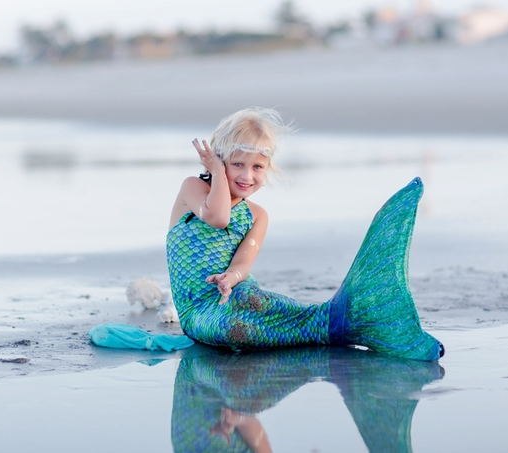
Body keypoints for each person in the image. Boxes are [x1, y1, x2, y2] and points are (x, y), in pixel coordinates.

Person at [166, 107, 444, 361]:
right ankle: (337, 327)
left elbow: (242, 264)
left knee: (254, 300)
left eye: (257, 167)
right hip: (199, 309)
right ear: (217, 161)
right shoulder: (193, 189)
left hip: (236, 292)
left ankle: (337, 320)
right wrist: (215, 172)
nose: (247, 175)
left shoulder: (258, 216)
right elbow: (218, 217)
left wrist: (232, 278)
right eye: (237, 164)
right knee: (236, 331)